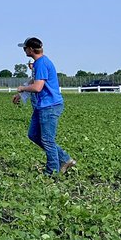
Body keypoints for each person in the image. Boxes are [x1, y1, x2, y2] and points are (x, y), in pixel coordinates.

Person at [13, 37, 74, 176]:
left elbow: (37, 87)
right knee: (33, 135)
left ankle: (52, 171)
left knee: (47, 140)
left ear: (30, 49)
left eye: (24, 48)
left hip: (50, 106)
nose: (24, 51)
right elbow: (34, 81)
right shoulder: (39, 63)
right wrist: (21, 95)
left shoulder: (41, 63)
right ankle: (65, 159)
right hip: (42, 105)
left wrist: (22, 88)